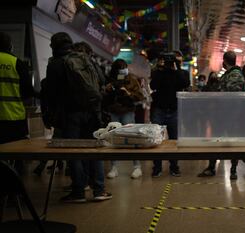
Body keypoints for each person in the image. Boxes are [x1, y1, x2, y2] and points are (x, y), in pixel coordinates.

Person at [45, 32, 111, 202]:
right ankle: (99, 190)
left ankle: (79, 192)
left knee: (73, 152)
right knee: (93, 150)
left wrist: (50, 114)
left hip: (69, 114)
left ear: (53, 46)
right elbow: (102, 80)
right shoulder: (84, 59)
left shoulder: (55, 64)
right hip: (91, 113)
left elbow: (50, 92)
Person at [197, 51, 245, 180]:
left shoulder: (235, 75)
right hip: (224, 115)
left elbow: (229, 94)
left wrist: (217, 92)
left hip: (230, 115)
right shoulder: (229, 75)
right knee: (216, 141)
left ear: (225, 61)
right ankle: (212, 167)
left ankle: (232, 170)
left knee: (231, 143)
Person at [150, 52, 190, 177]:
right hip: (159, 109)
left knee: (174, 140)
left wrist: (176, 69)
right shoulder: (158, 73)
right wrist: (160, 69)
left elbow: (185, 83)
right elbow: (153, 85)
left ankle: (174, 166)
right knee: (156, 139)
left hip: (174, 110)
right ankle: (157, 167)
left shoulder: (182, 73)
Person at [104, 59, 144, 179]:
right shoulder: (110, 79)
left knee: (132, 138)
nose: (123, 71)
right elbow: (104, 96)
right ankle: (114, 167)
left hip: (127, 111)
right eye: (120, 68)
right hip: (113, 111)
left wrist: (127, 93)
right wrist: (109, 90)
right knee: (113, 138)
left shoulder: (132, 79)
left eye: (124, 67)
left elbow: (140, 96)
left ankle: (137, 167)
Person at [0, 31, 34, 144]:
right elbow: (28, 90)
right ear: (10, 46)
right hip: (14, 118)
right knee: (16, 150)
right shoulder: (17, 63)